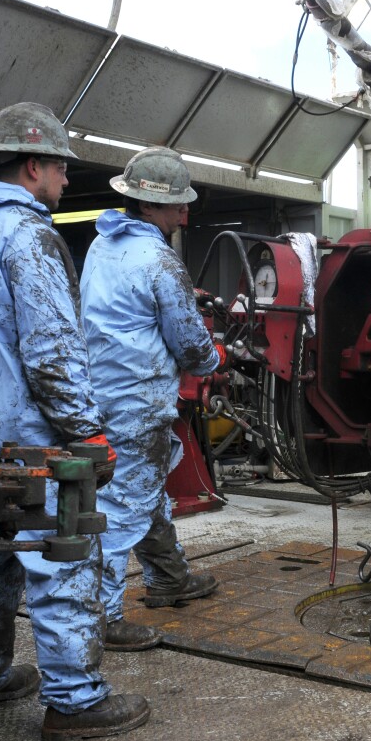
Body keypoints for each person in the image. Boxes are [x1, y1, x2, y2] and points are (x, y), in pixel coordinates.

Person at [0, 102, 150, 741]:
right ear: (33, 165)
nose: (65, 181)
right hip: (33, 440)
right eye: (60, 167)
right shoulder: (29, 238)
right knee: (63, 561)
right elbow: (54, 350)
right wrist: (87, 432)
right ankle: (75, 701)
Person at [81, 147, 223, 652]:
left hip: (102, 393)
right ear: (148, 206)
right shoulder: (160, 259)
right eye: (178, 206)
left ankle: (170, 578)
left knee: (145, 496)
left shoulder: (102, 247)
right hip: (138, 402)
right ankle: (103, 617)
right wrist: (217, 359)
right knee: (123, 508)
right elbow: (189, 345)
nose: (186, 213)